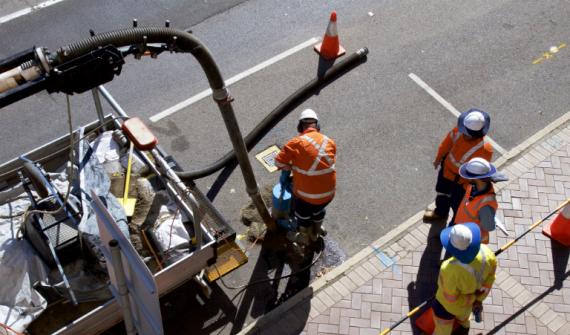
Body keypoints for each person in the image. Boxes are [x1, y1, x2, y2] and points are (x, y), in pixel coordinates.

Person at [275, 108, 336, 248]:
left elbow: (278, 162)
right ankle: (316, 231)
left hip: (307, 196)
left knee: (302, 213)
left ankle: (304, 236)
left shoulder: (295, 143)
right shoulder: (330, 142)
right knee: (318, 209)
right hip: (329, 194)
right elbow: (322, 162)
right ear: (317, 126)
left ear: (300, 126)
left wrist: (291, 167)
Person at [424, 109, 493, 223]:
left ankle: (454, 226)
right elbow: (445, 145)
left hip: (462, 184)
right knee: (442, 193)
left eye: (466, 132)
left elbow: (479, 171)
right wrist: (438, 159)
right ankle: (440, 213)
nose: (463, 133)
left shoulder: (485, 149)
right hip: (446, 173)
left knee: (458, 206)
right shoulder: (457, 131)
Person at [433, 223, 497, 335]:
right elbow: (490, 279)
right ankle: (464, 328)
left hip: (448, 307)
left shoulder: (448, 269)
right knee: (464, 319)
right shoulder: (487, 253)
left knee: (443, 329)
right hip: (468, 306)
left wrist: (471, 298)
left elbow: (450, 297)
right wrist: (477, 299)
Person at [455, 157, 507, 244]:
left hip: (471, 240)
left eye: (470, 176)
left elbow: (489, 227)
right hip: (462, 231)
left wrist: (487, 217)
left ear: (478, 179)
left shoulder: (485, 207)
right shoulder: (474, 186)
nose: (467, 178)